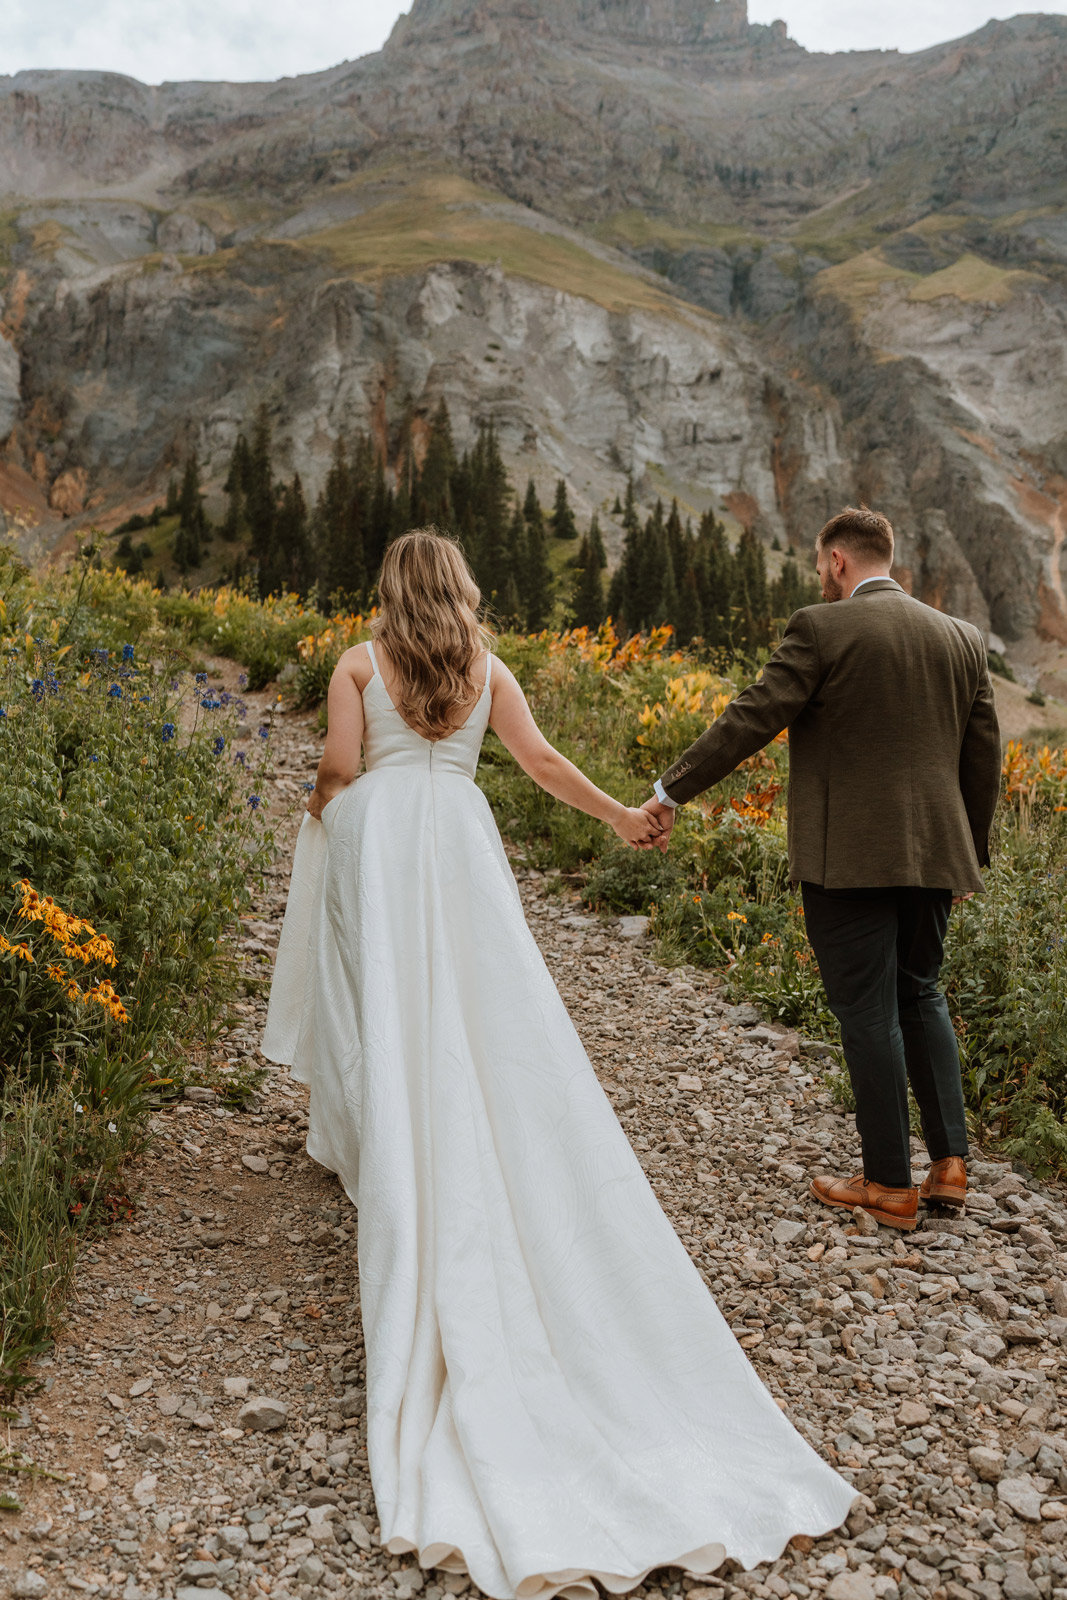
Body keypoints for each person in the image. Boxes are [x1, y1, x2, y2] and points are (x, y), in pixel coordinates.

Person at [263, 528, 854, 1600]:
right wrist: (624, 815)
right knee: (485, 1004)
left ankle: (389, 1137)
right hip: (460, 830)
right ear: (458, 589)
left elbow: (341, 767)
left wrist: (318, 811)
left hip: (381, 837)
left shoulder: (358, 662)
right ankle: (478, 1125)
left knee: (385, 1000)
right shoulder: (485, 666)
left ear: (391, 589)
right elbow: (536, 765)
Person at [643, 506, 1002, 1232]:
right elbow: (982, 756)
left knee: (867, 1009)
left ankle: (886, 1184)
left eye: (818, 566)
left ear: (836, 560)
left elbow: (751, 718)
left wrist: (667, 789)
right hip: (937, 854)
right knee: (921, 994)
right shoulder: (961, 639)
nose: (819, 577)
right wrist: (969, 853)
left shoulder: (820, 626)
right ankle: (948, 1166)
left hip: (848, 858)